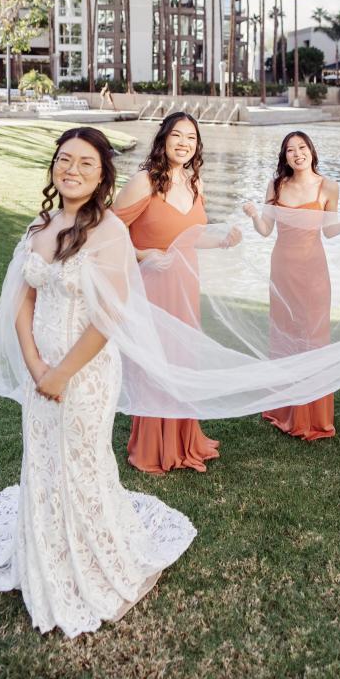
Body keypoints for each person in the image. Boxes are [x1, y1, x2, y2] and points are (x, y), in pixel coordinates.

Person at [0, 128, 196, 636]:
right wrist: (36, 366)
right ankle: (43, 550)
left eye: (87, 163)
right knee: (43, 457)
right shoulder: (39, 226)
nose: (73, 170)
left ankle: (89, 555)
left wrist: (62, 373)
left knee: (80, 458)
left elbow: (108, 316)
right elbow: (21, 301)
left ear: (103, 175)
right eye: (65, 160)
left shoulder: (110, 232)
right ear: (53, 167)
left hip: (86, 371)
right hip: (40, 368)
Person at [113, 112, 230, 474]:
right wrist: (142, 254)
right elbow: (106, 232)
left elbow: (189, 237)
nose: (184, 143)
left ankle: (183, 438)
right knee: (156, 361)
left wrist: (222, 240)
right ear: (163, 139)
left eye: (191, 137)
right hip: (152, 286)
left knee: (182, 359)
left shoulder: (195, 183)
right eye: (177, 135)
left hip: (186, 284)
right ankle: (153, 446)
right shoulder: (144, 182)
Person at [243, 132, 340, 441]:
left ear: (311, 150)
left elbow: (331, 231)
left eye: (302, 147)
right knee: (285, 334)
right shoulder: (276, 185)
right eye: (290, 150)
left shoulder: (328, 186)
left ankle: (312, 414)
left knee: (312, 336)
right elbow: (265, 230)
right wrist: (254, 215)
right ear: (284, 156)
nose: (297, 153)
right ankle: (284, 408)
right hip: (282, 269)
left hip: (313, 272)